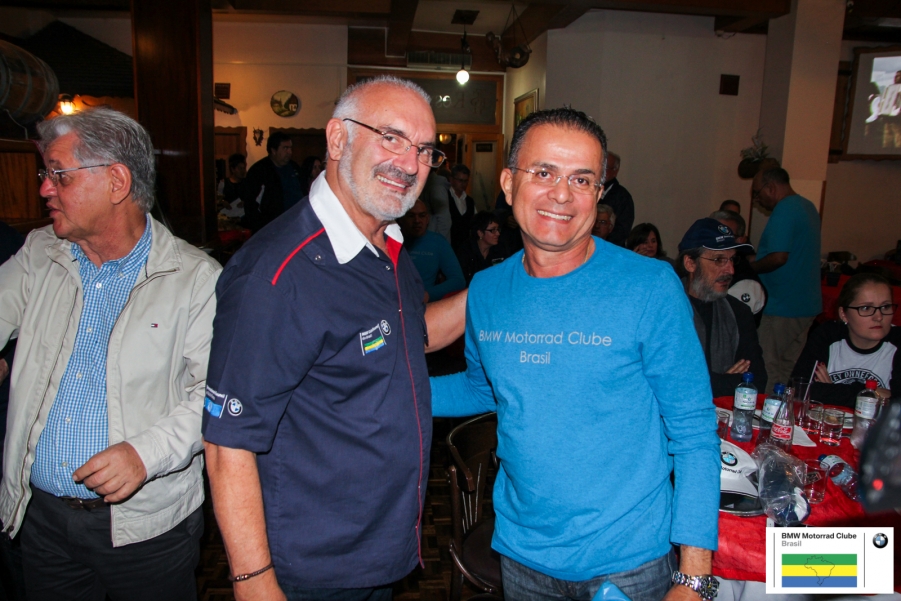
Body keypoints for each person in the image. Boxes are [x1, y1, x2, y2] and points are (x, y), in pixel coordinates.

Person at [431, 107, 720, 601]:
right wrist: (392, 392)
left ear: (599, 194)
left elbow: (693, 433)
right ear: (508, 183)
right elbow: (483, 388)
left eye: (581, 179)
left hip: (628, 564)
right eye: (543, 172)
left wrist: (693, 579)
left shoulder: (650, 286)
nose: (562, 194)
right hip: (522, 555)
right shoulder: (486, 291)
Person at [202, 75, 466, 600]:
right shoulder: (277, 274)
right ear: (338, 138)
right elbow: (227, 441)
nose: (410, 163)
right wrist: (254, 582)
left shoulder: (386, 244)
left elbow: (409, 335)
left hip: (377, 548)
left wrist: (498, 289)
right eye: (390, 138)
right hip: (313, 567)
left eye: (424, 150)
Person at [0, 107, 221, 601]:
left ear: (117, 181)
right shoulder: (40, 254)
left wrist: (145, 453)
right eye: (45, 174)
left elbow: (215, 394)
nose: (45, 189)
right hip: (42, 518)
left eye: (60, 174)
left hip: (145, 528)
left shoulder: (194, 279)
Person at [750, 167, 822, 388]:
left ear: (771, 187)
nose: (757, 200)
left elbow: (779, 257)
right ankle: (781, 407)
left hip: (782, 306)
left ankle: (767, 408)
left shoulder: (785, 209)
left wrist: (750, 268)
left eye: (757, 193)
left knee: (766, 365)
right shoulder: (807, 206)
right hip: (805, 304)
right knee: (787, 368)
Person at [678, 218, 766, 397]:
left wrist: (708, 382)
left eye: (732, 259)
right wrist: (727, 381)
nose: (730, 270)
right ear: (690, 263)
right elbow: (673, 382)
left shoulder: (738, 312)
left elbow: (757, 380)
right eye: (719, 260)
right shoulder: (667, 310)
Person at [792, 273, 900, 408]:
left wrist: (831, 390)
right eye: (866, 308)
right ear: (843, 314)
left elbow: (898, 404)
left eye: (885, 307)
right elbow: (800, 390)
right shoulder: (828, 335)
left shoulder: (898, 341)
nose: (878, 317)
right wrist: (873, 393)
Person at [399, 198, 466, 301]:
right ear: (402, 218)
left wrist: (428, 294)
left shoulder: (437, 242)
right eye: (411, 216)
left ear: (427, 219)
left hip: (424, 304)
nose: (417, 220)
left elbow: (458, 280)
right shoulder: (391, 240)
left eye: (421, 215)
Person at [710, 209, 767, 321]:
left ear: (740, 240)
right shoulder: (703, 265)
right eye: (712, 233)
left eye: (726, 235)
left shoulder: (745, 281)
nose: (718, 240)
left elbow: (729, 324)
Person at [242, 132, 304, 232]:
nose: (289, 152)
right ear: (273, 150)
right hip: (271, 227)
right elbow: (251, 204)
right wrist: (261, 228)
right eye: (285, 148)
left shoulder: (294, 168)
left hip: (295, 224)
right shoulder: (259, 171)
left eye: (290, 148)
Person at [455, 211, 506, 284]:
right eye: (493, 230)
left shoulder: (500, 249)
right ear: (480, 233)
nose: (498, 233)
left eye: (498, 229)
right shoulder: (466, 252)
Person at [599, 152, 634, 246]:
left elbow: (622, 231)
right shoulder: (589, 189)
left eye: (606, 168)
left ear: (615, 171)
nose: (601, 171)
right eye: (600, 166)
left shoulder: (623, 197)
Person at [448, 164, 474, 252]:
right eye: (460, 180)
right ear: (451, 179)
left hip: (465, 248)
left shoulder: (470, 201)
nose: (463, 184)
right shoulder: (445, 197)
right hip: (448, 245)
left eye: (466, 181)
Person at [421, 168, 452, 242]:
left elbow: (444, 220)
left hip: (433, 240)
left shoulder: (436, 187)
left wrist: (438, 243)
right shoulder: (429, 184)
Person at [218, 153, 247, 219]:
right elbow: (218, 198)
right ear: (233, 169)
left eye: (244, 168)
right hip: (228, 216)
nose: (243, 171)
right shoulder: (223, 183)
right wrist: (223, 202)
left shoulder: (247, 183)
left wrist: (245, 202)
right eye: (240, 168)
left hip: (243, 216)